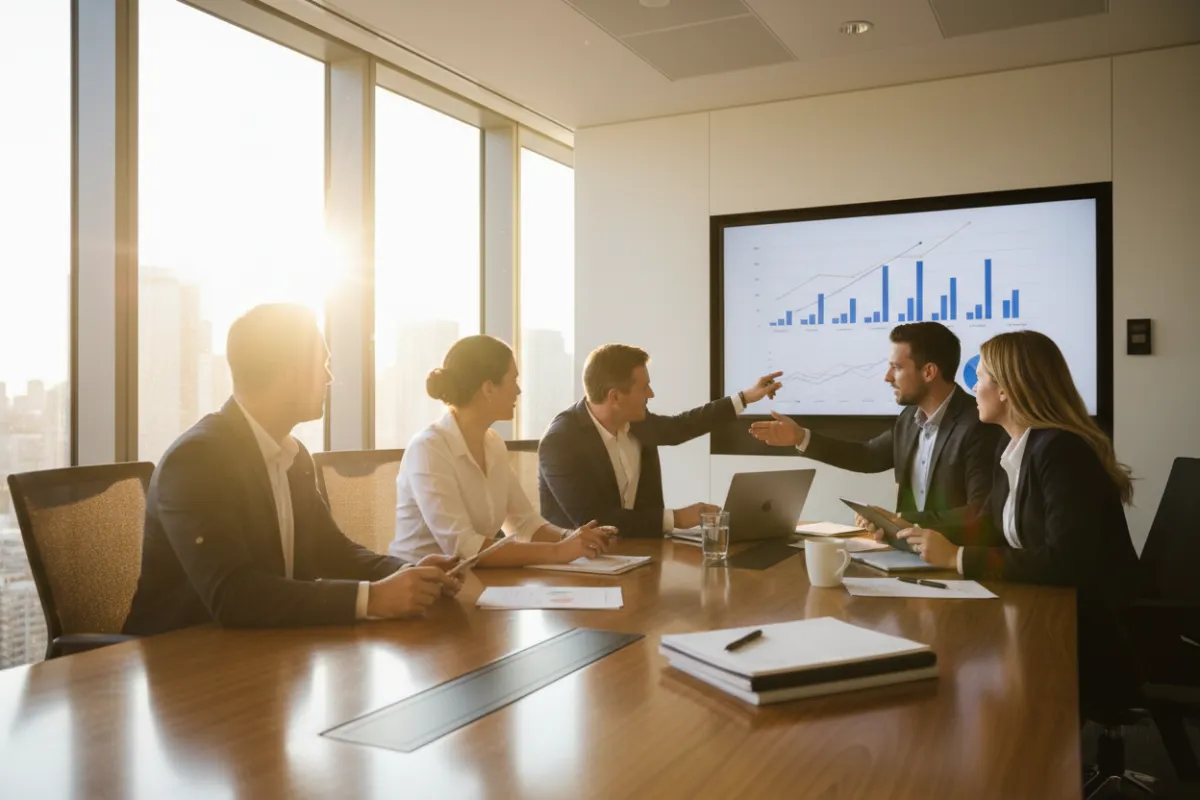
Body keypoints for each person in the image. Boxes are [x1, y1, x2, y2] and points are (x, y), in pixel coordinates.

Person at [124, 304, 460, 636]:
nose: (330, 377)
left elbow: (332, 551)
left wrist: (410, 571)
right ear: (291, 373)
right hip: (179, 662)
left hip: (264, 652)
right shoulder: (198, 460)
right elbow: (233, 595)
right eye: (324, 364)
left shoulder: (292, 455)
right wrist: (373, 599)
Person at [896, 330, 1139, 707]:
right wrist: (910, 528)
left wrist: (956, 558)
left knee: (961, 675)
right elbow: (990, 525)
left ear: (1006, 389)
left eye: (980, 378)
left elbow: (1066, 561)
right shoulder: (1016, 449)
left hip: (1095, 630)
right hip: (1054, 611)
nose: (973, 389)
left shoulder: (1060, 452)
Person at [391, 335, 613, 566]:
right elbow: (462, 546)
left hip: (470, 579)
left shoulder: (493, 443)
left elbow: (524, 523)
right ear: (488, 388)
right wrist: (558, 551)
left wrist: (574, 538)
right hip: (418, 584)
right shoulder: (429, 449)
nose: (518, 390)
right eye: (513, 379)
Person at [748, 322, 999, 526]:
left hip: (955, 565)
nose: (887, 377)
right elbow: (867, 456)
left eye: (896, 367)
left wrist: (899, 521)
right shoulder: (909, 419)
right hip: (909, 555)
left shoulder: (978, 425)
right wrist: (800, 437)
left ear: (929, 372)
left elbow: (979, 513)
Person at [539, 343, 783, 538]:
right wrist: (676, 518)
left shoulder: (635, 421)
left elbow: (681, 426)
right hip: (578, 573)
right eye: (644, 388)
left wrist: (746, 397)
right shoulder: (560, 441)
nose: (651, 395)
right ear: (615, 397)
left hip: (639, 557)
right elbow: (593, 521)